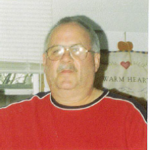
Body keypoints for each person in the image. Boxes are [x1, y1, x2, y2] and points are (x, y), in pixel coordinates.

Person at [0, 16, 147, 150]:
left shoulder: (128, 116)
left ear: (96, 61)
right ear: (45, 62)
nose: (66, 58)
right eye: (56, 51)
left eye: (77, 50)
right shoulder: (10, 120)